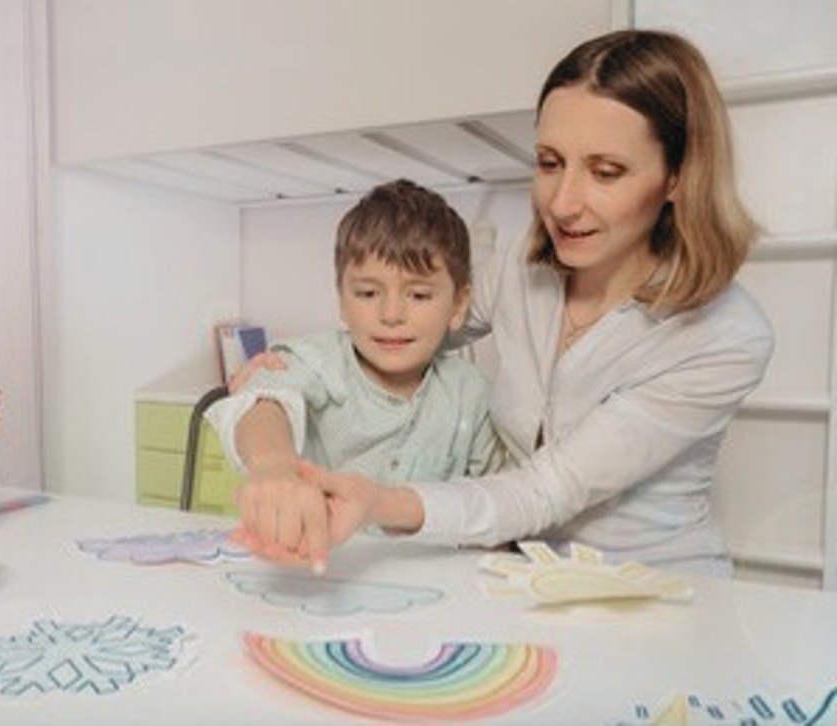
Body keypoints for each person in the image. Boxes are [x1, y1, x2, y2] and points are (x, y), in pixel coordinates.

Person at [228, 29, 774, 578]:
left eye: (606, 172)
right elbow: (404, 326)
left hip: (652, 587)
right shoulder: (523, 268)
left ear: (679, 176)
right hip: (517, 576)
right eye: (549, 162)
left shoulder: (726, 336)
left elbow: (545, 490)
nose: (562, 204)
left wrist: (380, 502)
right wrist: (279, 385)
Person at [206, 179, 502, 572]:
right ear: (341, 299)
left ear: (458, 304)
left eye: (418, 295)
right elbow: (265, 398)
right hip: (321, 574)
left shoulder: (472, 392)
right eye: (367, 293)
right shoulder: (322, 362)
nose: (391, 314)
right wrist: (273, 465)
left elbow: (498, 502)